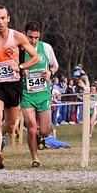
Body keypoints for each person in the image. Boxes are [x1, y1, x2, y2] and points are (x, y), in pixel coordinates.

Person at [0, 5, 39, 169]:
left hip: (14, 85)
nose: (0, 21)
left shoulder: (17, 37)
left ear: (8, 18)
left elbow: (36, 58)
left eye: (3, 18)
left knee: (10, 124)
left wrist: (21, 67)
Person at [19, 21, 59, 168]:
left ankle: (41, 137)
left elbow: (55, 65)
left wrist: (50, 72)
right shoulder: (20, 50)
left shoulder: (46, 48)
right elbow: (13, 70)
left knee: (45, 131)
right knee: (30, 127)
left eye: (36, 37)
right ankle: (35, 158)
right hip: (27, 94)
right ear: (25, 34)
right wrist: (21, 71)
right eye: (30, 37)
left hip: (43, 94)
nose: (33, 40)